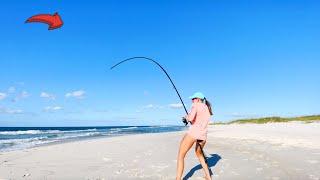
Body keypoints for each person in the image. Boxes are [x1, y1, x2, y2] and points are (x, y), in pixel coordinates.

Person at [176, 92, 213, 180]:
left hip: (193, 133)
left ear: (198, 99)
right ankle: (208, 176)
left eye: (193, 99)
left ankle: (178, 179)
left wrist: (186, 118)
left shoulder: (196, 105)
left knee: (180, 156)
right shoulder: (207, 108)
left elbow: (191, 118)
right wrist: (189, 119)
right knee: (200, 155)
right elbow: (198, 121)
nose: (192, 100)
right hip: (203, 135)